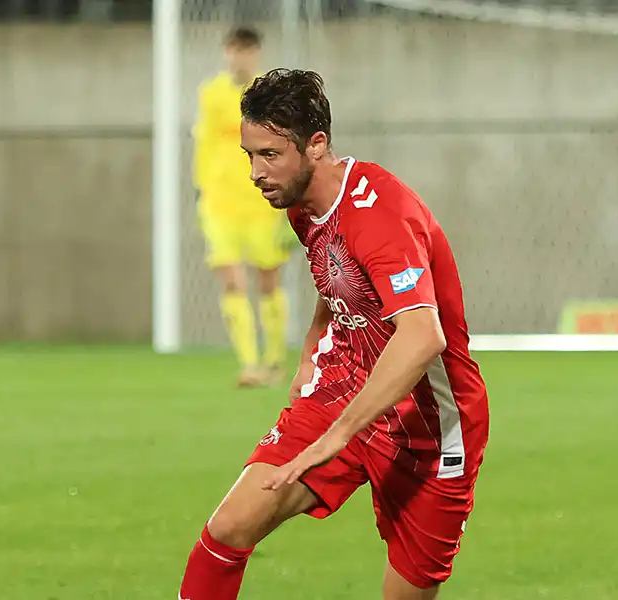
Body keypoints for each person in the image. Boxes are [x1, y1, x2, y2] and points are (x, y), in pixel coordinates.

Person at [178, 69, 491, 599]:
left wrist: (336, 437)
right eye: (249, 155)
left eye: (269, 155)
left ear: (316, 146)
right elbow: (338, 274)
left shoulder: (382, 215)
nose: (255, 172)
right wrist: (309, 355)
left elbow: (422, 335)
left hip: (431, 429)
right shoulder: (300, 202)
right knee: (226, 531)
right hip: (342, 391)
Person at [192, 26, 292, 388]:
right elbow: (203, 144)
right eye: (235, 49)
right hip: (221, 203)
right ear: (226, 52)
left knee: (268, 280)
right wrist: (201, 187)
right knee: (232, 280)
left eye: (247, 50)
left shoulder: (269, 94)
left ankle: (275, 359)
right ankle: (249, 363)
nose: (240, 56)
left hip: (262, 201)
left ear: (257, 53)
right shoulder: (212, 94)